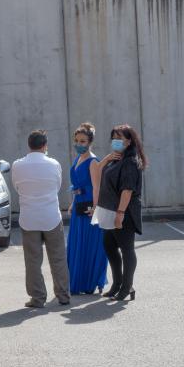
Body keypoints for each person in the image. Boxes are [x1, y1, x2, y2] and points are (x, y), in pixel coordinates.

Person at [12, 130, 71, 308]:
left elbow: (17, 187)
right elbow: (57, 186)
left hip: (29, 218)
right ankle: (63, 295)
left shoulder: (17, 165)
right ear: (45, 145)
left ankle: (37, 298)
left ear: (29, 145)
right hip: (51, 216)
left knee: (32, 261)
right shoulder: (54, 164)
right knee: (58, 258)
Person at [93, 124, 147, 302]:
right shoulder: (116, 158)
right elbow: (96, 175)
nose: (115, 141)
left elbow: (127, 190)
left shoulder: (130, 162)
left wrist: (120, 213)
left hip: (124, 212)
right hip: (109, 210)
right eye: (114, 138)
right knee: (109, 246)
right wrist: (106, 159)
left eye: (120, 138)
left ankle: (126, 287)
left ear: (129, 141)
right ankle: (117, 284)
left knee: (126, 249)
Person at [66, 123, 107, 295]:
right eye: (76, 141)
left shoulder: (93, 162)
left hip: (89, 207)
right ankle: (78, 280)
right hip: (79, 205)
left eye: (82, 141)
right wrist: (72, 203)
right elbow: (78, 186)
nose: (78, 144)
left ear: (90, 142)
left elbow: (97, 187)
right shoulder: (78, 159)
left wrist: (95, 209)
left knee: (90, 244)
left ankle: (90, 282)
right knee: (78, 244)